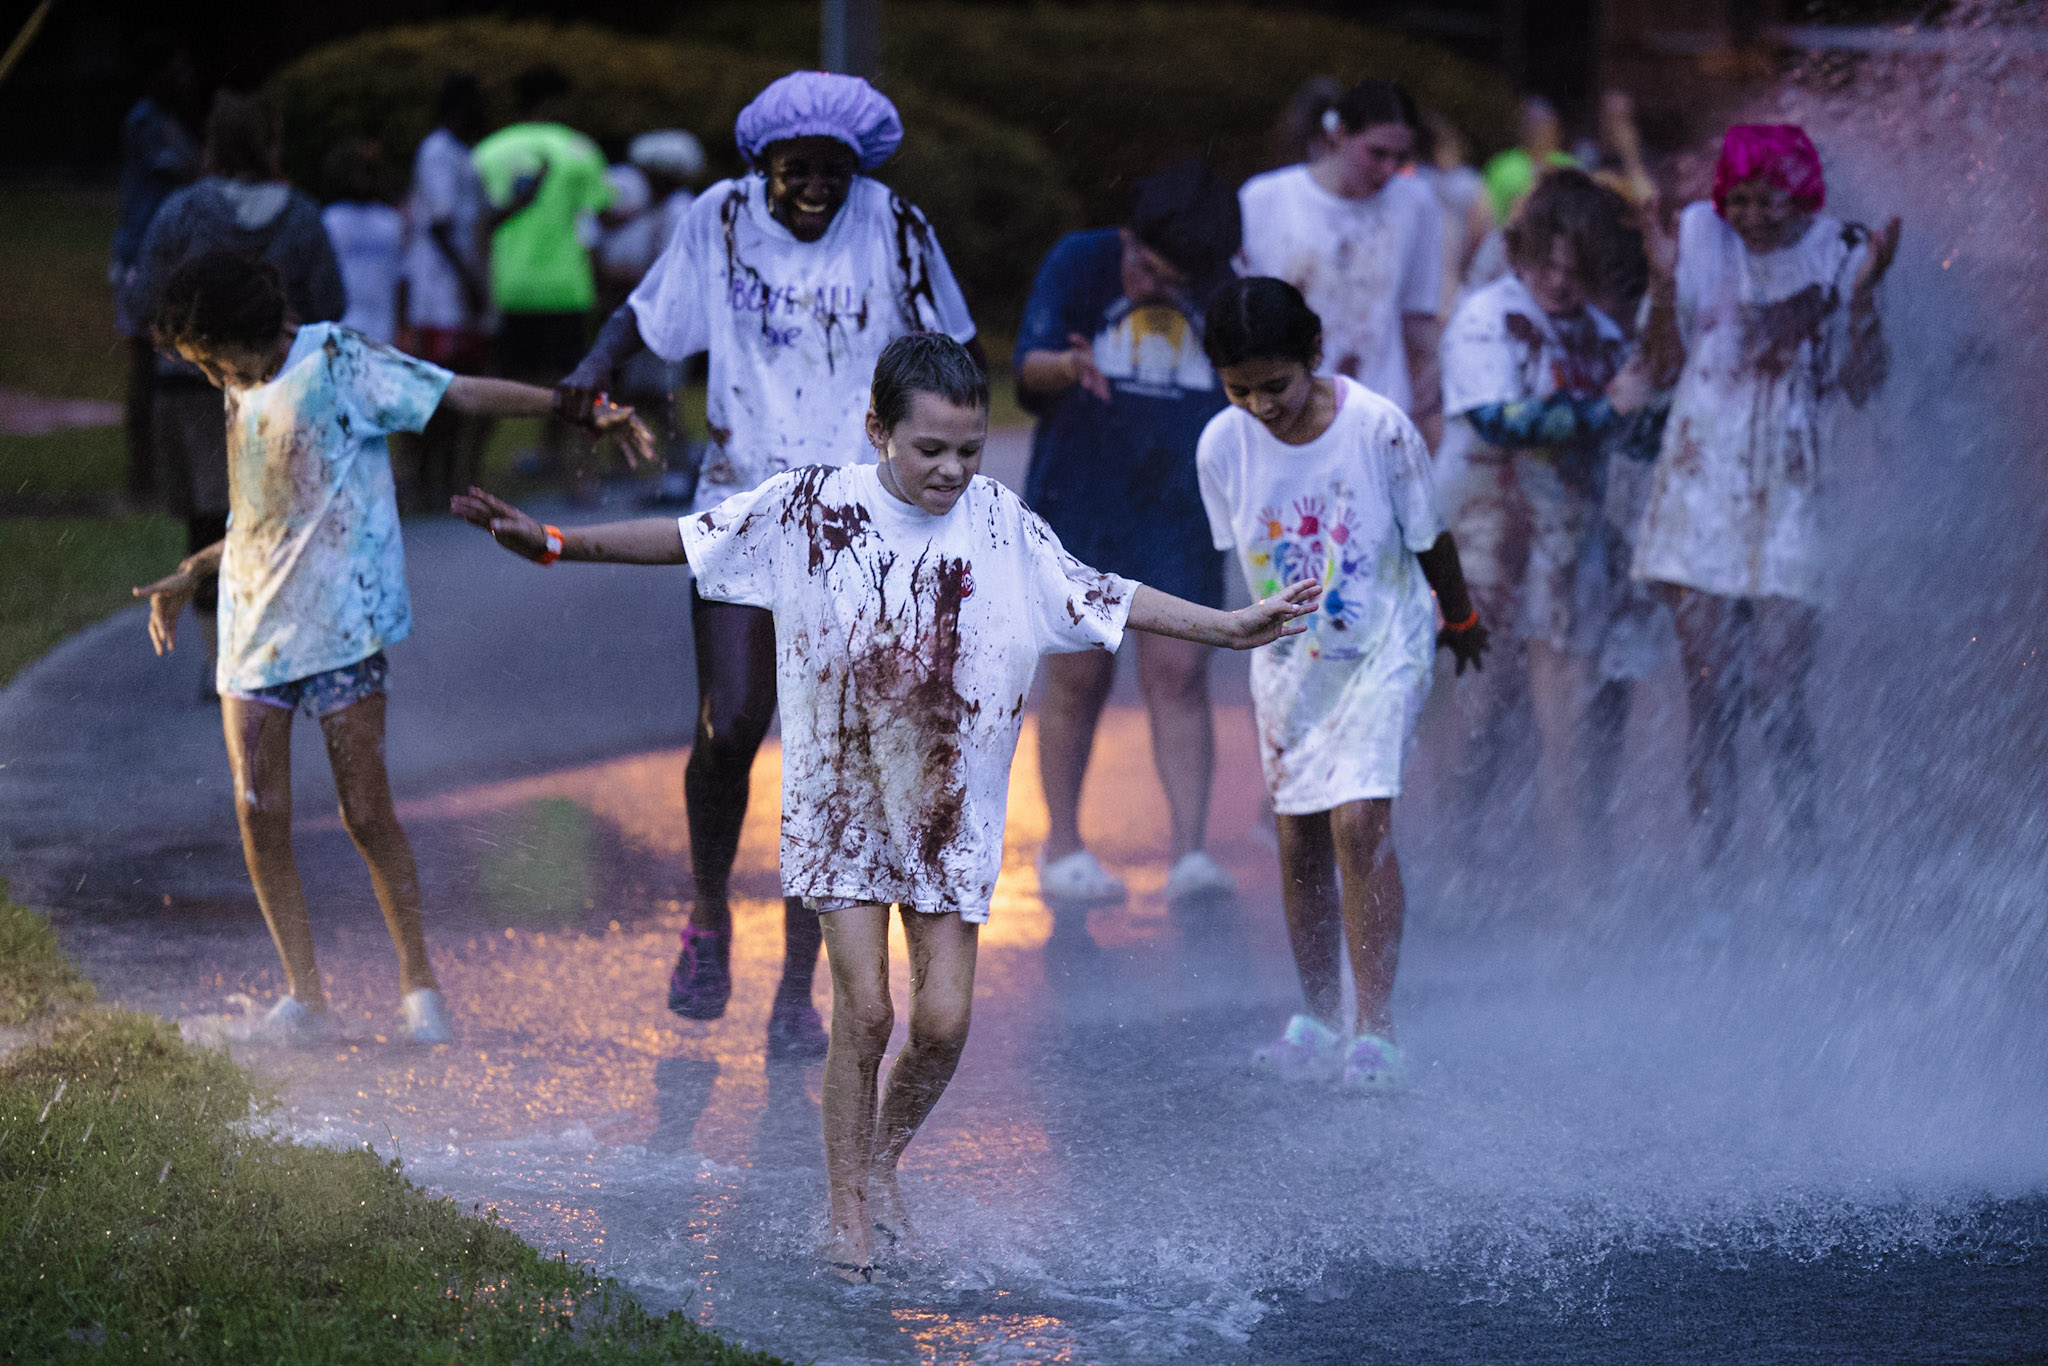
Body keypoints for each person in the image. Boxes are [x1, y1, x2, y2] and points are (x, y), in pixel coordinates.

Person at [454, 331, 1318, 1279]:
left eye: (969, 450)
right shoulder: (809, 509)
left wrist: (1229, 626)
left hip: (949, 815)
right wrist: (553, 543)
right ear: (878, 430)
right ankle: (846, 1211)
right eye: (930, 450)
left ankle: (880, 1157)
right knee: (864, 1014)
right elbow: (685, 539)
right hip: (840, 805)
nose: (952, 470)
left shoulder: (1001, 525)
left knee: (943, 1024)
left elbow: (1103, 594)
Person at [551, 71, 980, 1056]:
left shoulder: (894, 225)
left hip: (863, 523)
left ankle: (797, 987)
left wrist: (945, 477)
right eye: (795, 171)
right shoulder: (720, 219)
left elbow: (952, 352)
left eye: (833, 170)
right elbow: (647, 313)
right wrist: (591, 368)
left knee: (828, 758)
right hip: (741, 500)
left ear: (857, 168)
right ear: (762, 166)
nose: (814, 188)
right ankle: (707, 916)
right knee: (731, 718)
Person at [128, 251, 651, 1044]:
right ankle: (304, 998)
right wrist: (190, 570)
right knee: (257, 808)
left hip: (342, 627)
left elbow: (458, 391)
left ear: (246, 330)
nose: (212, 377)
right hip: (252, 629)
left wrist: (577, 409)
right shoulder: (240, 387)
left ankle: (419, 985)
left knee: (366, 813)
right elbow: (258, 513)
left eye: (213, 359)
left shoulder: (339, 361)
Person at [1196, 278, 1486, 1090]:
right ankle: (1319, 1014)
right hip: (1293, 661)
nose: (1260, 404)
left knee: (1358, 821)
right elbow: (1251, 559)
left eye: (1275, 385)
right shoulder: (1221, 447)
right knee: (1300, 840)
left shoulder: (1377, 429)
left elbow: (1431, 538)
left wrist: (1460, 622)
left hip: (1385, 642)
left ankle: (1376, 1028)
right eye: (1239, 388)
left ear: (1313, 354)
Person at [1631, 124, 1898, 863]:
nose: (1750, 216)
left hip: (1792, 493)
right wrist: (1659, 280)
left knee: (1780, 698)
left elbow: (1864, 384)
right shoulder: (1697, 236)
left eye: (1769, 201)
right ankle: (1715, 879)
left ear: (1803, 194)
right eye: (1738, 200)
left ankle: (1803, 860)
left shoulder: (1844, 249)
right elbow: (1658, 367)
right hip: (1700, 489)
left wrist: (1868, 299)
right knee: (1710, 699)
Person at [1016, 161, 1243, 906]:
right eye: (1144, 267)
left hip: (1180, 503)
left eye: (1172, 283)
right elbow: (1026, 368)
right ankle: (1065, 847)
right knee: (1079, 674)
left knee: (1179, 675)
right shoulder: (1079, 260)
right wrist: (1066, 365)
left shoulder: (1223, 286)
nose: (1151, 287)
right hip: (1083, 495)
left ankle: (1191, 854)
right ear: (1127, 236)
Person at [1438, 170, 1643, 888]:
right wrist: (1607, 411)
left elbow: (1641, 435)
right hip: (1483, 534)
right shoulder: (1486, 316)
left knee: (1572, 725)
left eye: (1574, 269)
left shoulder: (1606, 334)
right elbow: (1498, 419)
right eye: (1545, 263)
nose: (1557, 282)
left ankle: (1572, 891)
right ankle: (1457, 865)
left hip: (1567, 540)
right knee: (1484, 707)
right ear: (1521, 250)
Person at [126, 89, 345, 695]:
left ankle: (220, 658)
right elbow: (331, 303)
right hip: (284, 388)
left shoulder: (179, 212)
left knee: (206, 520)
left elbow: (141, 300)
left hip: (191, 389)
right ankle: (286, 650)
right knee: (280, 516)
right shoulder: (301, 215)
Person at [1237, 79, 1445, 447]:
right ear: (1339, 135)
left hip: (1377, 416)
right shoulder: (1265, 198)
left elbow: (1417, 315)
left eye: (1400, 158)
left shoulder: (1416, 203)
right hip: (1281, 417)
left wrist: (1433, 383)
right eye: (1377, 153)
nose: (1388, 169)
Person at [472, 64, 613, 486]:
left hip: (508, 283)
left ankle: (470, 470)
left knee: (497, 376)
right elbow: (594, 223)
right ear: (552, 102)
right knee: (570, 381)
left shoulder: (487, 151)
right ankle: (566, 470)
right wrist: (601, 284)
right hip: (565, 285)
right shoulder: (579, 150)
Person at [112, 48, 204, 509]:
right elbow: (181, 170)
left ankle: (160, 471)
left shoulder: (173, 123)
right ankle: (141, 474)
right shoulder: (146, 122)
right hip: (140, 257)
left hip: (167, 258)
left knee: (164, 366)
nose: (186, 77)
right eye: (177, 68)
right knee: (146, 368)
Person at [401, 72, 498, 513]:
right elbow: (439, 225)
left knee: (459, 391)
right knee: (438, 391)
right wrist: (471, 283)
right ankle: (427, 480)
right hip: (441, 295)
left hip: (461, 296)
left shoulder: (463, 154)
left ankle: (449, 481)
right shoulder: (438, 151)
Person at [321, 139, 405, 344]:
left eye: (369, 171)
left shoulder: (391, 221)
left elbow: (403, 280)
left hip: (384, 334)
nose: (362, 178)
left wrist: (403, 329)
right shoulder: (330, 220)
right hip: (339, 332)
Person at [1481, 96, 1578, 226]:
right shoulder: (1502, 165)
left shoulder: (1569, 165)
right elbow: (1486, 214)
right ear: (1524, 128)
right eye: (1534, 125)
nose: (1540, 133)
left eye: (1546, 125)